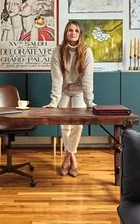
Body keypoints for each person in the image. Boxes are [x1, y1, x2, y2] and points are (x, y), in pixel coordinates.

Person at [44, 20, 95, 177]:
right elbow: (57, 79)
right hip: (64, 91)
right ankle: (72, 158)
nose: (73, 33)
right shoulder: (57, 51)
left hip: (79, 91)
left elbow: (87, 79)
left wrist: (89, 102)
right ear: (66, 33)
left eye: (77, 30)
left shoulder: (86, 51)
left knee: (77, 125)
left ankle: (67, 158)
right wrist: (54, 102)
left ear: (80, 34)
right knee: (64, 124)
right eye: (70, 30)